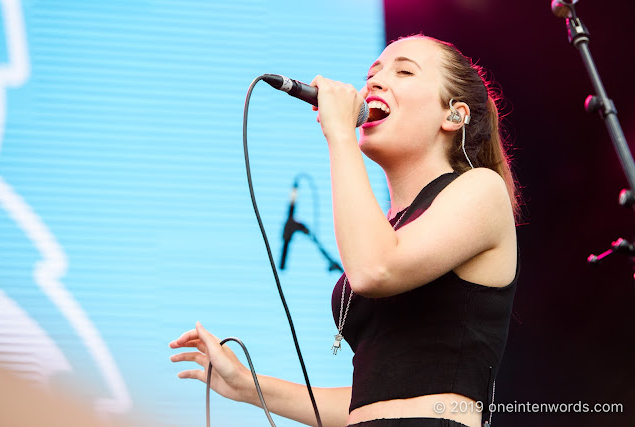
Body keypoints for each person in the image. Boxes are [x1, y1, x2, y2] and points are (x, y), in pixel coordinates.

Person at [170, 34, 519, 427]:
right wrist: (247, 387)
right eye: (373, 73)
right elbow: (371, 403)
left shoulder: (481, 189)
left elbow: (375, 269)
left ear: (454, 115)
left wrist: (340, 136)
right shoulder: (388, 228)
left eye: (403, 71)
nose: (374, 82)